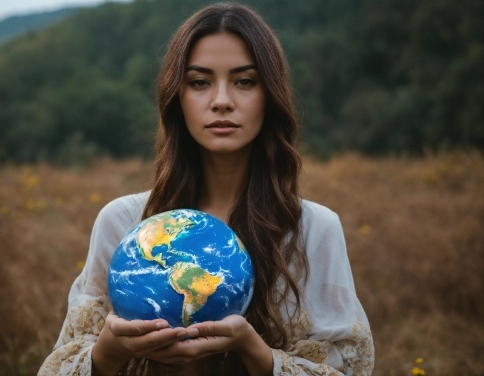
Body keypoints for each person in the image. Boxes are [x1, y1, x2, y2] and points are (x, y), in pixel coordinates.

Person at [39, 3, 374, 375]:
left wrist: (254, 351)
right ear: (176, 97)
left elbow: (349, 370)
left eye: (244, 81)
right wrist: (108, 353)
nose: (221, 101)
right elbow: (62, 366)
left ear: (271, 96)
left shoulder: (313, 229)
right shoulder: (124, 223)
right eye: (200, 82)